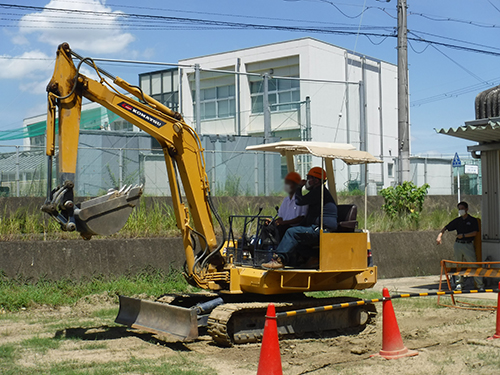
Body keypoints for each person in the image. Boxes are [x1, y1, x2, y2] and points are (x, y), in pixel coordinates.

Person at [262, 167, 337, 270]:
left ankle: (278, 259)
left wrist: (299, 187)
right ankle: (314, 257)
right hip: (317, 227)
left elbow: (299, 201)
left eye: (309, 179)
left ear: (317, 180)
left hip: (322, 228)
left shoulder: (320, 192)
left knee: (291, 232)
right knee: (295, 240)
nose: (307, 181)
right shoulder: (317, 192)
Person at [436, 201, 485, 291]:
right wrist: (440, 235)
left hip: (468, 244)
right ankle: (459, 283)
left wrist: (463, 235)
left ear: (466, 209)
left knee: (473, 264)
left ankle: (479, 284)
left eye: (462, 209)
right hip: (458, 244)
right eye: (459, 209)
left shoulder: (472, 220)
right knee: (458, 264)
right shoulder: (458, 221)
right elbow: (446, 227)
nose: (461, 211)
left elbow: (475, 232)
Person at [274, 172, 308, 238]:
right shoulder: (285, 200)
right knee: (267, 227)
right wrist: (273, 222)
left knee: (281, 229)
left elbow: (300, 219)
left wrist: (284, 223)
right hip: (284, 225)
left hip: (293, 227)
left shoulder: (302, 200)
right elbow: (281, 217)